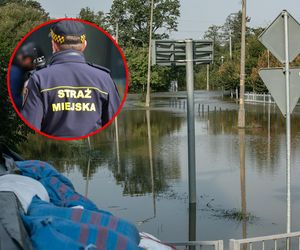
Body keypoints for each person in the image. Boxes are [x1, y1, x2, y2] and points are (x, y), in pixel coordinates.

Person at [21, 20, 121, 137]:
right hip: (94, 150)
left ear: (54, 45)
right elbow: (114, 126)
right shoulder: (104, 78)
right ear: (84, 45)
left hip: (52, 151)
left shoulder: (39, 78)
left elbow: (30, 130)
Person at [10, 42, 43, 110]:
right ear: (28, 59)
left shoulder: (16, 70)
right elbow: (15, 100)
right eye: (34, 63)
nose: (34, 67)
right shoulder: (15, 73)